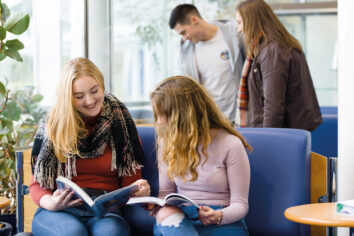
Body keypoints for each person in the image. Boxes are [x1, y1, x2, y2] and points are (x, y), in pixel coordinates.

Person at [29, 57, 150, 236]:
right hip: (60, 210)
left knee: (112, 232)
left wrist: (139, 191)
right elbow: (37, 185)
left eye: (95, 91)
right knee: (73, 232)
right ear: (68, 97)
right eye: (79, 96)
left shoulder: (122, 123)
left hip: (105, 211)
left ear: (102, 85)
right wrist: (51, 203)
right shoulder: (53, 126)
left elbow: (130, 182)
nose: (89, 100)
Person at [150, 76, 251, 236]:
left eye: (163, 115)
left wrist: (218, 216)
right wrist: (156, 205)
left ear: (182, 117)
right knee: (165, 214)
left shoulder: (231, 144)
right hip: (181, 219)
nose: (160, 122)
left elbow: (241, 204)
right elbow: (165, 194)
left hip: (221, 219)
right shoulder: (167, 142)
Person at [235, 0, 322, 131]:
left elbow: (273, 105)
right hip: (284, 131)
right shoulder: (271, 47)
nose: (239, 29)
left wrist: (267, 139)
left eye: (240, 22)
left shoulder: (272, 51)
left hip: (277, 134)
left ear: (254, 21)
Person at [169, 4, 245, 123]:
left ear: (194, 20)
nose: (183, 38)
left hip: (238, 119)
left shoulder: (235, 35)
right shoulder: (185, 53)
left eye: (184, 32)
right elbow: (183, 90)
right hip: (209, 122)